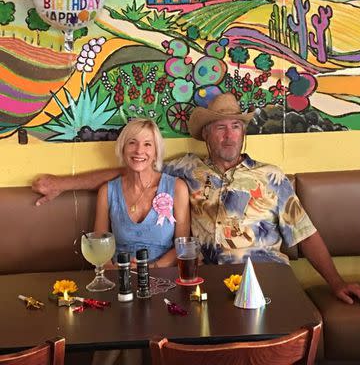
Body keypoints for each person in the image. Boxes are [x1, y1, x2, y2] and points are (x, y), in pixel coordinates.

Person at [33, 93, 360, 304]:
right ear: (205, 134)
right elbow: (128, 173)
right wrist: (63, 184)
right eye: (220, 128)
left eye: (235, 127)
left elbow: (306, 233)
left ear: (243, 133)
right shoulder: (182, 169)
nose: (229, 134)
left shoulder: (271, 176)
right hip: (206, 282)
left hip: (265, 278)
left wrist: (335, 282)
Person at [94, 118, 189, 268]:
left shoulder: (177, 188)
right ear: (122, 148)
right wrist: (115, 270)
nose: (139, 150)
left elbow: (182, 245)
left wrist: (149, 270)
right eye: (132, 142)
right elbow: (99, 246)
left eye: (147, 144)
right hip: (120, 275)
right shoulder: (106, 192)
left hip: (162, 275)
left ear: (156, 151)